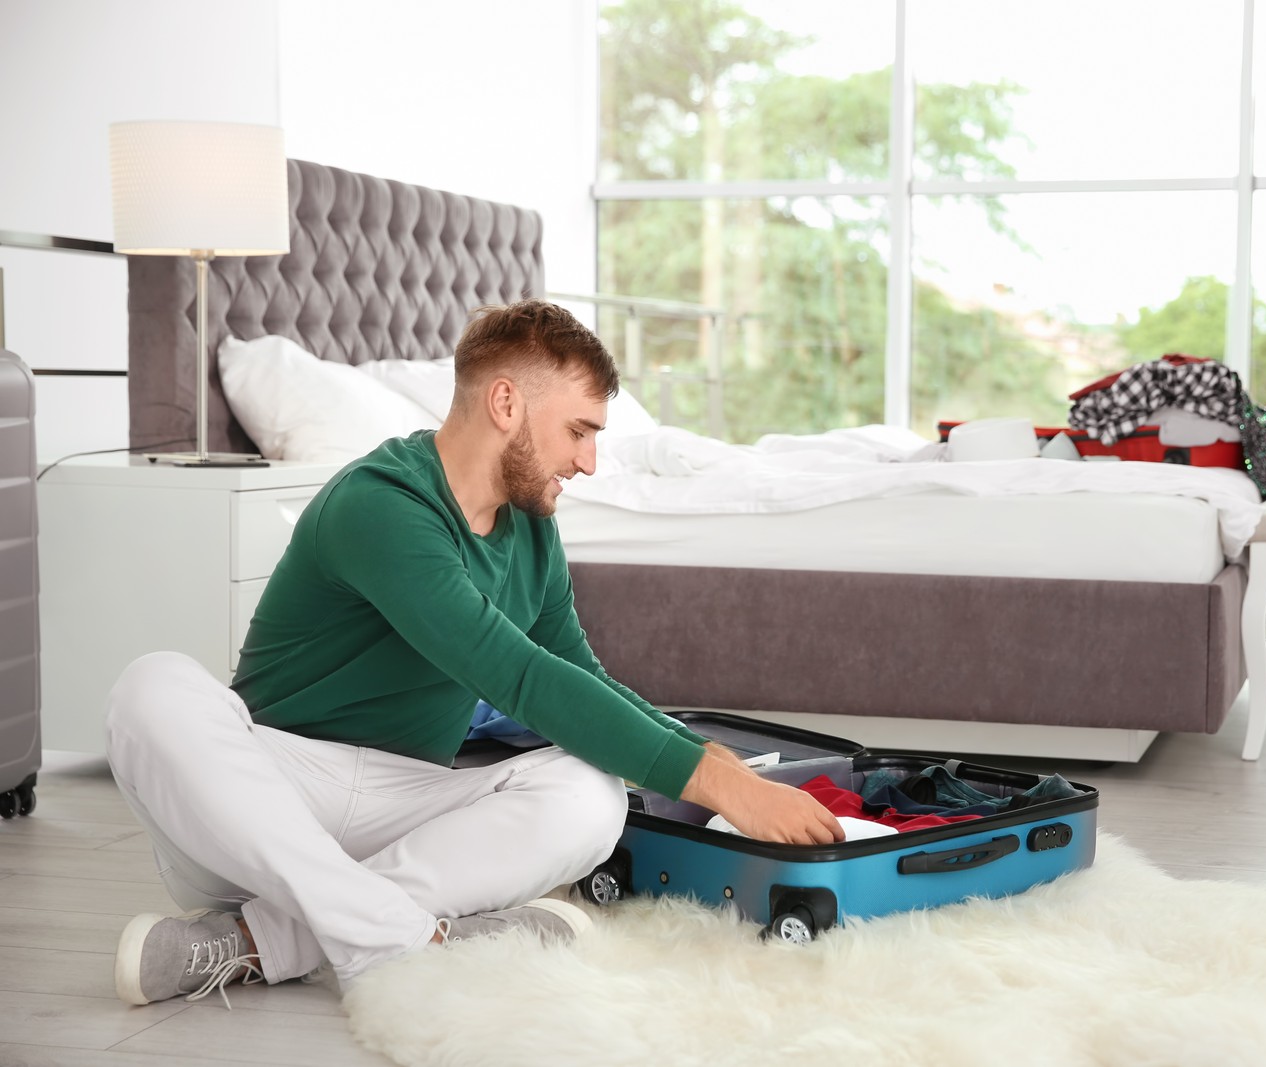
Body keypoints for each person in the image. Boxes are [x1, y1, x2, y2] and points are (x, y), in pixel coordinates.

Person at [104, 300, 844, 1008]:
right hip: (268, 800)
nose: (588, 461)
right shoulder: (382, 504)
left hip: (402, 800)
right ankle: (400, 936)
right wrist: (719, 784)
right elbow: (516, 675)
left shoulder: (532, 531)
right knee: (151, 688)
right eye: (579, 431)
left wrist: (720, 765)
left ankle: (269, 941)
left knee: (591, 794)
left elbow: (578, 678)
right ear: (506, 404)